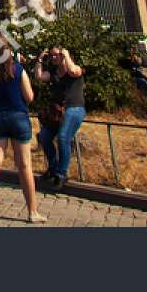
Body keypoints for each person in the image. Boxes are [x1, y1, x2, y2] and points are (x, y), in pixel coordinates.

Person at [0, 35, 43, 223]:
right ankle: (32, 211)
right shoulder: (17, 69)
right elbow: (29, 96)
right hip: (18, 116)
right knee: (24, 165)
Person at [34, 45, 85, 190]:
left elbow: (74, 71)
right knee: (44, 135)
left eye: (57, 55)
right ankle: (53, 167)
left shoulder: (74, 68)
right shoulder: (53, 72)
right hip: (57, 111)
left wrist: (67, 56)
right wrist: (40, 60)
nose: (54, 58)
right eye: (52, 56)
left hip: (74, 108)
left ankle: (62, 173)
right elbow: (39, 76)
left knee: (63, 137)